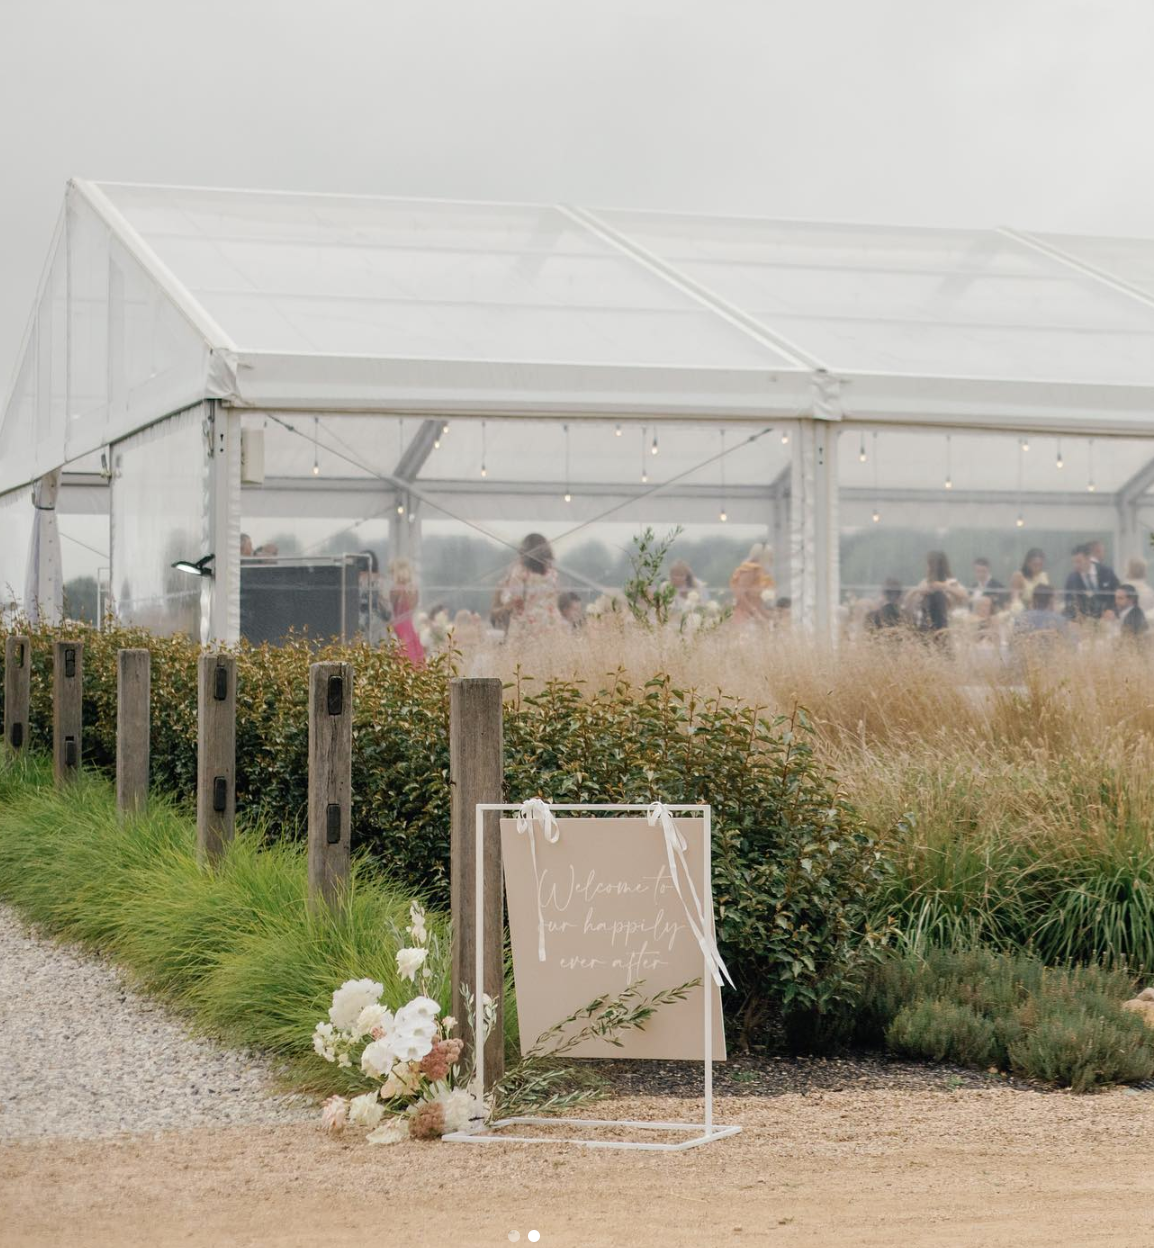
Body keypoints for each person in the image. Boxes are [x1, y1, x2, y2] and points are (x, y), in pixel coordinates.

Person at [496, 533, 564, 642]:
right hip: (551, 623)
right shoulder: (552, 573)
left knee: (524, 658)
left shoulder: (520, 572)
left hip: (527, 625)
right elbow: (557, 595)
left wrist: (505, 593)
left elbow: (514, 598)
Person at [904, 551, 967, 642]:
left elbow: (964, 595)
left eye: (929, 565)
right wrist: (918, 590)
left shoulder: (951, 582)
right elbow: (907, 600)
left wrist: (944, 587)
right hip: (925, 627)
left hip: (946, 629)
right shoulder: (925, 583)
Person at [388, 557, 425, 665]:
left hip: (399, 625)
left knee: (403, 654)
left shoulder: (396, 589)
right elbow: (413, 607)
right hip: (409, 625)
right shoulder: (412, 589)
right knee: (412, 655)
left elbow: (391, 607)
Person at [1013, 583, 1070, 649]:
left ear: (1034, 599)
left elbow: (1015, 647)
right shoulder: (1060, 621)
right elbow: (1068, 647)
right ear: (1051, 600)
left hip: (1028, 658)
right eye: (1055, 599)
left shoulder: (1021, 619)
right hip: (1053, 658)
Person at [729, 543, 774, 626]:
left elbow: (757, 601)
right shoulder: (751, 569)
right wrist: (756, 613)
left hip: (753, 614)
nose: (772, 559)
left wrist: (768, 616)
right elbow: (740, 593)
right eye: (770, 556)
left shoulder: (760, 571)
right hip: (744, 614)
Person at [1062, 545, 1099, 621]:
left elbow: (1114, 593)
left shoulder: (1106, 572)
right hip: (1083, 622)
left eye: (1078, 562)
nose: (1075, 565)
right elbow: (1069, 603)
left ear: (1088, 558)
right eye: (1074, 562)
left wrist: (1110, 610)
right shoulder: (1071, 579)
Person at [1087, 539, 1120, 615]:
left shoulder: (1078, 572)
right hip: (1105, 614)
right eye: (1103, 551)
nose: (1104, 554)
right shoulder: (1107, 571)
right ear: (1097, 551)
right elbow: (1117, 590)